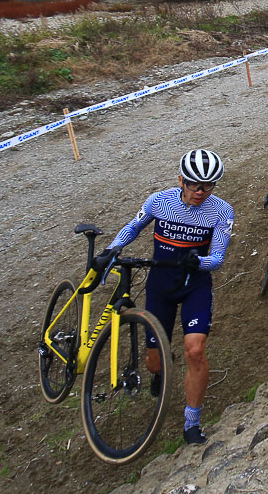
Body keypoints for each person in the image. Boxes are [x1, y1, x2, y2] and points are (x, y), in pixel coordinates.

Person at [94, 149, 234, 445]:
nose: (200, 192)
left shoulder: (221, 210)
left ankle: (192, 422)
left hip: (195, 285)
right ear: (181, 180)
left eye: (208, 186)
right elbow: (134, 227)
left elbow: (219, 257)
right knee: (154, 362)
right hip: (160, 287)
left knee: (195, 350)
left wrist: (199, 263)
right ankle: (161, 369)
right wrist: (112, 249)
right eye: (194, 184)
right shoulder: (159, 201)